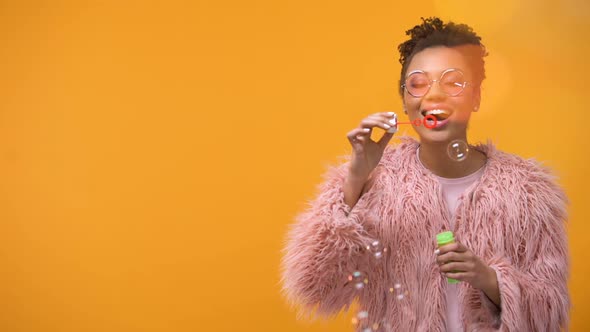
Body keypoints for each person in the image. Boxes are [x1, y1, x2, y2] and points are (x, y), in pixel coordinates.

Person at [281, 17, 570, 331]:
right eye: (418, 83)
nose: (434, 95)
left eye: (453, 81)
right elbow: (313, 288)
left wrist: (489, 279)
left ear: (476, 97)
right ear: (405, 102)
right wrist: (355, 179)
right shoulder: (374, 182)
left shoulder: (528, 193)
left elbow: (550, 313)